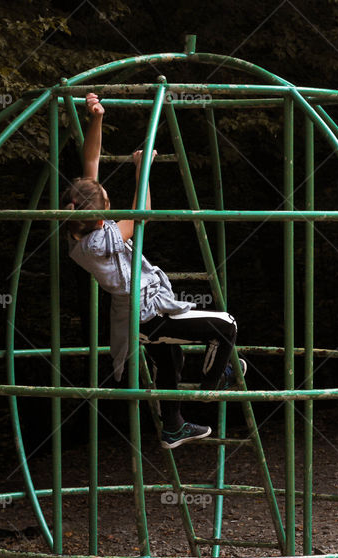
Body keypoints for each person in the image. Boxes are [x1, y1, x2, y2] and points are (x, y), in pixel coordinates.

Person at [64, 93, 243, 448]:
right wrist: (140, 169)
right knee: (226, 326)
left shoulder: (77, 224)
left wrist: (96, 117)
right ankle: (214, 384)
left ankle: (173, 425)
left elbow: (91, 160)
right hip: (146, 316)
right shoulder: (100, 241)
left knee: (170, 359)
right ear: (101, 214)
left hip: (143, 311)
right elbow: (143, 215)